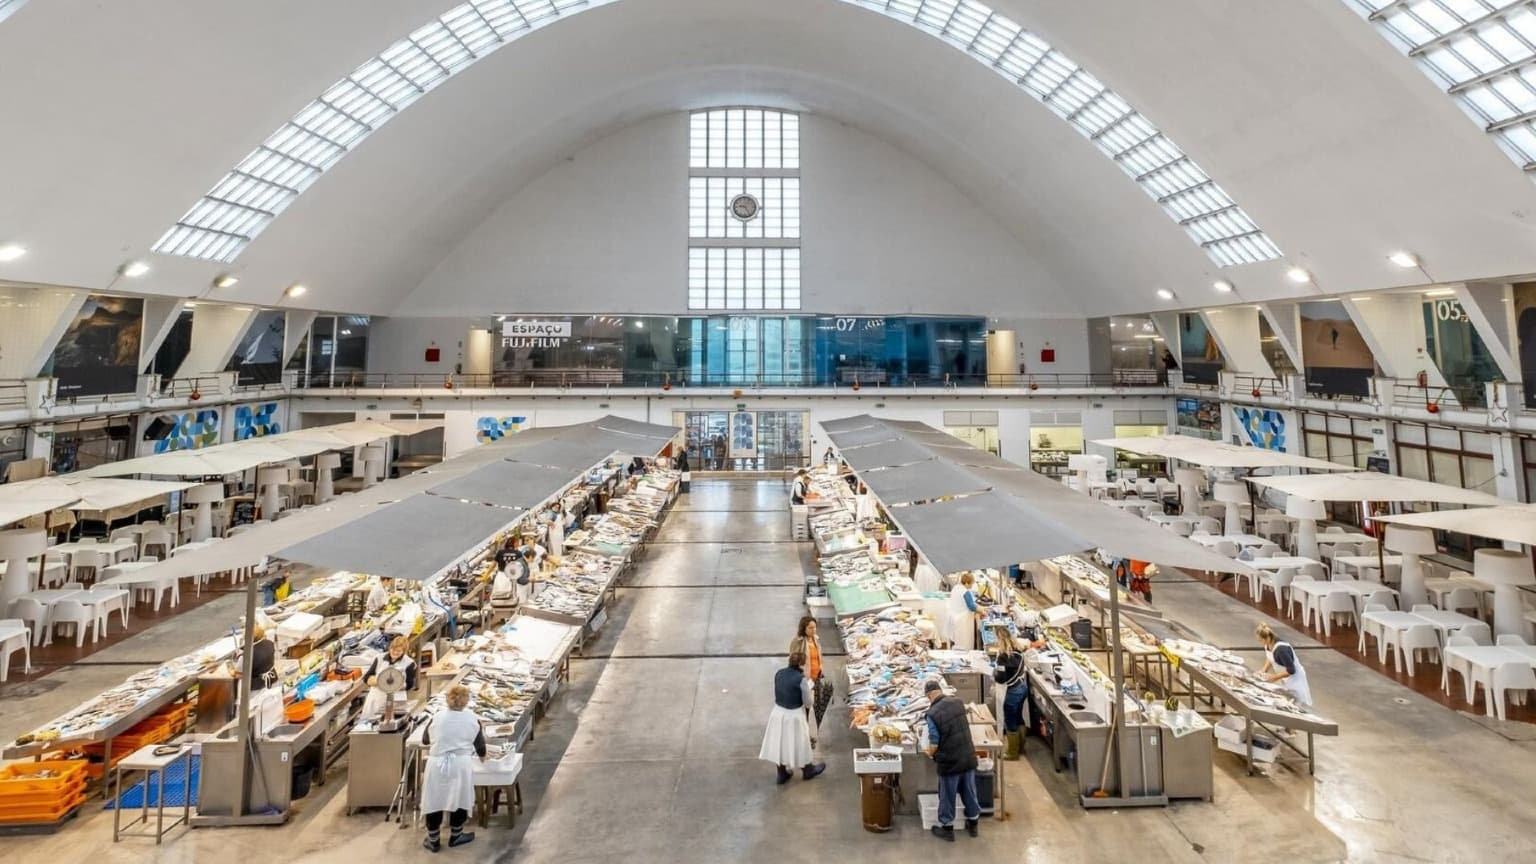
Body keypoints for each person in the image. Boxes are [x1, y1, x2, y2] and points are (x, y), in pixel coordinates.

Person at [419, 684, 487, 852]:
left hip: (437, 763)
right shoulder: (472, 719)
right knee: (460, 798)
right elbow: (480, 747)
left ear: (447, 699)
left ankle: (433, 839)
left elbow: (425, 740)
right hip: (460, 764)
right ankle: (456, 835)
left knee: (434, 799)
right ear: (466, 701)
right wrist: (483, 757)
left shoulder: (437, 717)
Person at [924, 679, 980, 841]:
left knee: (947, 794)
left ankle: (947, 828)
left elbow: (934, 741)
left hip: (950, 761)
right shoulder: (958, 702)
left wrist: (929, 752)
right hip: (968, 756)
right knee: (969, 791)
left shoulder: (932, 714)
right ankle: (973, 824)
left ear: (929, 696)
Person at [758, 652, 826, 784]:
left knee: (780, 742)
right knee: (801, 742)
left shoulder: (779, 673)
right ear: (802, 664)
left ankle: (781, 773)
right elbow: (808, 702)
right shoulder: (801, 680)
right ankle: (808, 770)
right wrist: (810, 689)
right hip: (794, 715)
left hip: (777, 712)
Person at [788, 617, 832, 742]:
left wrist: (820, 670)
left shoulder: (815, 639)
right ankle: (803, 736)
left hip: (815, 678)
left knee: (813, 708)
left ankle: (807, 734)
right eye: (810, 628)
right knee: (804, 709)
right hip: (804, 680)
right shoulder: (798, 642)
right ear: (804, 628)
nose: (814, 630)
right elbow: (792, 660)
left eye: (815, 627)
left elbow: (818, 657)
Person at [991, 627, 1029, 760]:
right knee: (1019, 717)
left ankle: (1012, 753)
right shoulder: (1019, 651)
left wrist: (994, 672)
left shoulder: (1003, 657)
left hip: (1013, 691)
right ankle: (1021, 747)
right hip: (1023, 687)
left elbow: (1001, 678)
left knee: (1010, 720)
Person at [362, 636, 418, 719]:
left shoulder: (409, 663)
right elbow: (366, 678)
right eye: (393, 649)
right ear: (389, 647)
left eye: (398, 651)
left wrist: (396, 684)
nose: (395, 652)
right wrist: (379, 681)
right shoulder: (379, 658)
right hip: (376, 699)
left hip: (396, 700)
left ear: (404, 652)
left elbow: (410, 684)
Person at [1256, 623, 1311, 706]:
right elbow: (1270, 657)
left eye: (1261, 640)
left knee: (1296, 704)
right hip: (1285, 679)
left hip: (1295, 680)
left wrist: (1274, 677)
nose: (1260, 642)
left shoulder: (1281, 650)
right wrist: (1264, 670)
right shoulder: (1268, 644)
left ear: (1267, 638)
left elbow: (1291, 670)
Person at [946, 572, 981, 650]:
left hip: (954, 617)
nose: (972, 586)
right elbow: (972, 607)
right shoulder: (965, 592)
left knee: (957, 642)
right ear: (966, 583)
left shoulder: (956, 588)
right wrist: (982, 610)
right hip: (962, 622)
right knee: (964, 644)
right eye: (971, 584)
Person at [246, 622, 277, 691]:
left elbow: (241, 672)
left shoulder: (250, 653)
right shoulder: (270, 643)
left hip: (257, 683)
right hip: (272, 677)